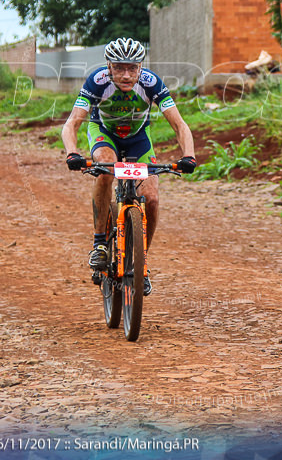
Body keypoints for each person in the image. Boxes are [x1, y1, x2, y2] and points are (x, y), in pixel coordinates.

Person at [61, 37, 196, 296]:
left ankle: (140, 262)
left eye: (132, 68)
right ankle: (100, 244)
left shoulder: (151, 83)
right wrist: (72, 153)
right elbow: (72, 124)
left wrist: (188, 155)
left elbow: (179, 124)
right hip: (104, 134)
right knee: (105, 168)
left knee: (152, 198)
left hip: (137, 140)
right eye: (119, 67)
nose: (126, 74)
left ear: (140, 67)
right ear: (108, 67)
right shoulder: (97, 82)